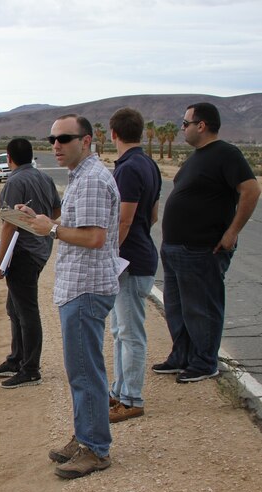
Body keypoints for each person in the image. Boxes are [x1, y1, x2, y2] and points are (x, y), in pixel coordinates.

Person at [18, 114, 120, 479]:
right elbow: (78, 227)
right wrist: (40, 220)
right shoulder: (82, 177)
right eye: (51, 139)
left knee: (85, 370)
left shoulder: (92, 180)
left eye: (64, 138)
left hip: (86, 287)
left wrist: (53, 230)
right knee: (80, 368)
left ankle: (95, 449)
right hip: (79, 286)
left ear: (87, 140)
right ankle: (85, 437)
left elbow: (95, 237)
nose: (56, 145)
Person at [153, 102, 261, 383]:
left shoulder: (226, 153)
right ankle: (182, 356)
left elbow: (251, 189)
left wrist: (232, 231)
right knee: (177, 307)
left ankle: (204, 362)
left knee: (203, 308)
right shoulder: (196, 157)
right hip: (176, 247)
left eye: (185, 123)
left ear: (201, 125)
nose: (182, 128)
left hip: (201, 249)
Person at [0, 138, 61, 389]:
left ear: (9, 158)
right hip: (41, 250)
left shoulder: (15, 182)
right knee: (14, 307)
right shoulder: (45, 178)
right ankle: (16, 358)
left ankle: (30, 369)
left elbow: (9, 223)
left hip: (22, 254)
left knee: (27, 310)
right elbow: (56, 211)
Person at [107, 108, 161, 422]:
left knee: (129, 333)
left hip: (129, 261)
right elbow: (152, 215)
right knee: (120, 330)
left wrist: (108, 258)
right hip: (140, 254)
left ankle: (131, 399)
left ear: (113, 134)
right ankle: (118, 391)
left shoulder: (127, 169)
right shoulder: (149, 164)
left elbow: (123, 220)